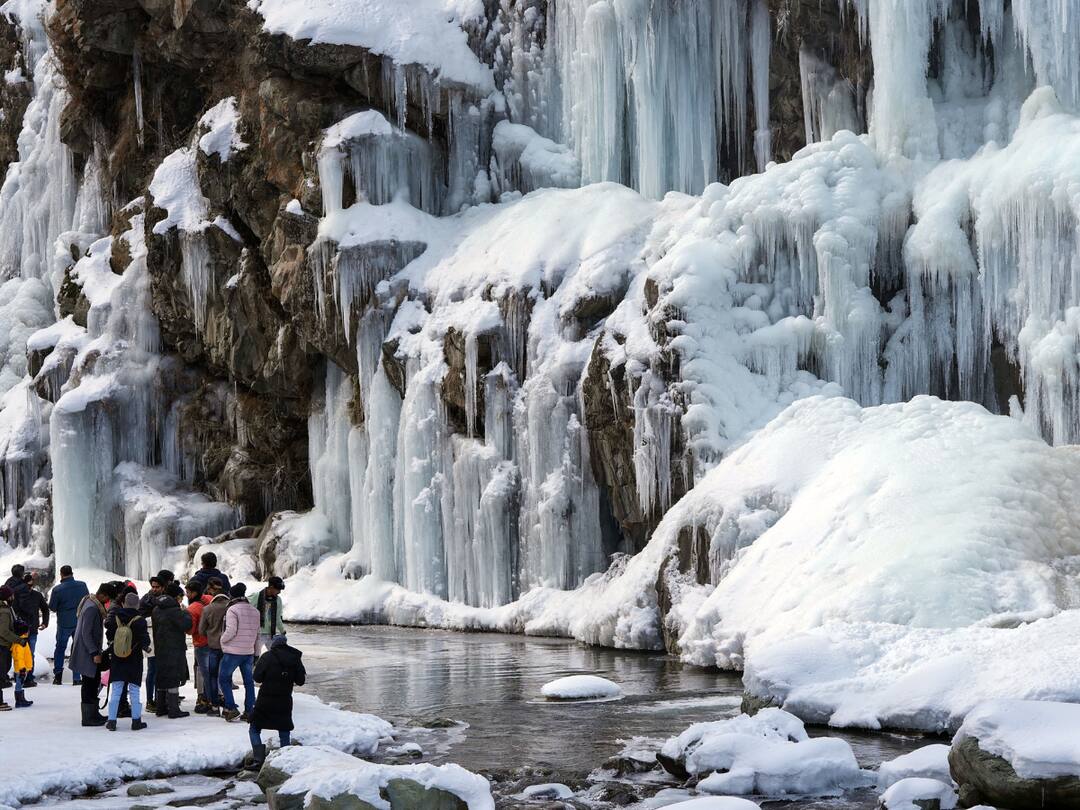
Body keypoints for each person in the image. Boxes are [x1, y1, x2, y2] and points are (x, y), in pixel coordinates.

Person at [249, 634, 305, 765]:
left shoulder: (267, 657)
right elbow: (301, 681)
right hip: (284, 699)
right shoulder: (295, 658)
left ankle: (258, 759)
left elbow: (257, 677)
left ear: (273, 644)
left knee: (254, 728)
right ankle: (285, 759)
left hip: (265, 699)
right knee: (284, 729)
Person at [70, 582, 117, 726]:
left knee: (93, 680)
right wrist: (94, 652)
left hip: (87, 651)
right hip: (87, 653)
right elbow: (86, 633)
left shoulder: (89, 602)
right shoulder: (91, 608)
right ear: (102, 595)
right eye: (107, 599)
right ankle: (89, 717)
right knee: (90, 683)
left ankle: (93, 713)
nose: (107, 602)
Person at [104, 592, 151, 731]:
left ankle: (112, 720)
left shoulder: (116, 617)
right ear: (137, 605)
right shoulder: (140, 620)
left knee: (116, 689)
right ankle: (136, 721)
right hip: (134, 659)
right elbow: (145, 640)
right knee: (134, 689)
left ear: (124, 603)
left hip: (117, 658)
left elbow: (109, 634)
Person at [218, 583, 260, 722]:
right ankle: (249, 710)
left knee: (224, 678)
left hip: (233, 652)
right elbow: (257, 635)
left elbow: (231, 630)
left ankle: (231, 708)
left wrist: (222, 640)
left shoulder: (232, 610)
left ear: (232, 595)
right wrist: (256, 653)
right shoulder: (255, 611)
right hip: (248, 651)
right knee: (248, 682)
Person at [152, 581, 192, 719]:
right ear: (176, 597)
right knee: (173, 677)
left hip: (160, 648)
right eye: (181, 597)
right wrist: (186, 612)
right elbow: (187, 624)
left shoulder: (156, 609)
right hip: (174, 648)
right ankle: (174, 709)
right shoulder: (175, 611)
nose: (181, 599)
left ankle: (160, 707)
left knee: (162, 676)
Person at [49, 565, 89, 685]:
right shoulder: (82, 585)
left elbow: (52, 607)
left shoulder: (57, 590)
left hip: (64, 623)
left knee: (60, 648)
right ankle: (77, 678)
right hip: (79, 621)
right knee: (77, 648)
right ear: (72, 573)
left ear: (61, 574)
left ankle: (58, 676)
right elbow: (87, 600)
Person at [199, 577, 228, 716]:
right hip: (228, 647)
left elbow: (200, 630)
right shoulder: (231, 607)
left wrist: (210, 633)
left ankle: (215, 706)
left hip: (213, 646)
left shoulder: (207, 609)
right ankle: (228, 705)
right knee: (226, 676)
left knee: (212, 676)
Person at [0, 586, 32, 708]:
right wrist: (19, 640)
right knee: (1, 673)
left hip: (4, 645)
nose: (13, 597)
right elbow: (3, 631)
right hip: (2, 646)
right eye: (11, 595)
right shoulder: (4, 611)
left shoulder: (6, 609)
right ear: (8, 597)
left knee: (3, 673)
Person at [185, 580, 213, 713]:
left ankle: (206, 699)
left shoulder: (192, 608)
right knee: (213, 671)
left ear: (194, 593)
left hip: (201, 643)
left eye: (188, 592)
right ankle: (215, 696)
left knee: (204, 672)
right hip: (215, 641)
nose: (186, 595)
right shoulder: (209, 599)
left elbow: (190, 630)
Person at [17, 572, 47, 688]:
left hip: (27, 629)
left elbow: (45, 609)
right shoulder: (19, 595)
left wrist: (45, 622)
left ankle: (27, 678)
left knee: (28, 654)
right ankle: (25, 678)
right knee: (26, 654)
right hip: (24, 629)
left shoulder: (36, 595)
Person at [138, 576, 164, 710]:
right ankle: (150, 700)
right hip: (152, 638)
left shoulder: (163, 599)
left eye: (157, 587)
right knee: (153, 669)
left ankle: (159, 698)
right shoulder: (146, 600)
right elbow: (140, 619)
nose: (154, 589)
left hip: (160, 637)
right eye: (153, 586)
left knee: (159, 670)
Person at [249, 577, 285, 656]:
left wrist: (282, 631)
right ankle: (255, 668)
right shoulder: (257, 596)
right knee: (255, 656)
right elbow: (245, 609)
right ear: (271, 587)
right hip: (258, 633)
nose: (279, 592)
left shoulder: (278, 600)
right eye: (278, 589)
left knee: (276, 656)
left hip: (271, 634)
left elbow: (277, 617)